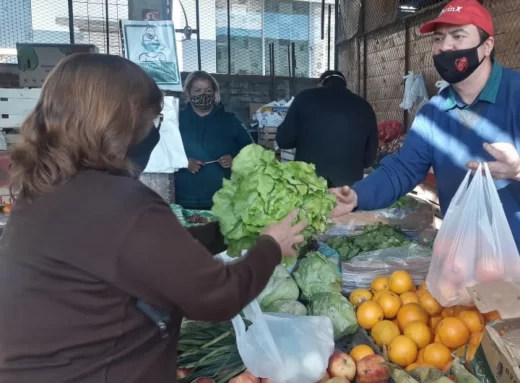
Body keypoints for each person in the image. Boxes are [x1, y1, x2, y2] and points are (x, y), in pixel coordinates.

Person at [0, 53, 306, 382]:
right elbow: (218, 297)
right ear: (120, 124)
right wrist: (271, 246)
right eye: (151, 120)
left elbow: (155, 254)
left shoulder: (45, 191)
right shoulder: (123, 203)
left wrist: (231, 231)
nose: (153, 132)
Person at [329, 0, 520, 281]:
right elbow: (402, 169)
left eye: (458, 36)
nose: (445, 47)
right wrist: (357, 196)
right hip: (464, 260)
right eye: (439, 39)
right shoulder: (434, 114)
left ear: (487, 46)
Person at [276, 70, 378, 188]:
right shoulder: (364, 106)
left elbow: (283, 140)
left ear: (321, 84)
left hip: (309, 186)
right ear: (345, 85)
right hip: (348, 189)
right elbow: (369, 158)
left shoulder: (304, 98)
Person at [175, 71, 253, 210]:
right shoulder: (176, 120)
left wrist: (234, 159)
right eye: (197, 90)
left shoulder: (230, 120)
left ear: (215, 93)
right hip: (183, 197)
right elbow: (162, 153)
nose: (203, 95)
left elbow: (250, 151)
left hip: (223, 199)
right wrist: (183, 162)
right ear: (188, 92)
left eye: (208, 91)